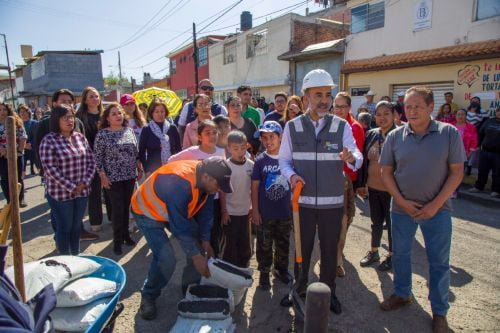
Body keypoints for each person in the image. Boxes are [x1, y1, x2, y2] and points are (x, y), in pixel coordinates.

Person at [379, 86, 465, 333]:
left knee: (438, 262)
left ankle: (439, 312)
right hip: (402, 209)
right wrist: (403, 202)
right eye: (408, 107)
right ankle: (402, 293)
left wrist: (435, 205)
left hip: (438, 210)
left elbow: (457, 172)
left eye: (418, 106)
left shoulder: (448, 134)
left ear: (430, 107)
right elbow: (386, 172)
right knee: (401, 255)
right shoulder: (396, 136)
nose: (412, 111)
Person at [279, 69, 363, 314]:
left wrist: (350, 158)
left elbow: (356, 158)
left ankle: (329, 294)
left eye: (328, 94)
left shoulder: (342, 126)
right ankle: (299, 290)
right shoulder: (293, 127)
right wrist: (292, 176)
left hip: (332, 204)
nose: (324, 100)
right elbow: (284, 161)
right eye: (318, 95)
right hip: (302, 203)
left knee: (329, 251)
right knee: (302, 251)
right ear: (306, 97)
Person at [131, 157, 233, 320]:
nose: (219, 189)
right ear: (206, 177)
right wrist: (196, 256)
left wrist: (205, 241)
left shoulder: (205, 182)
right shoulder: (180, 183)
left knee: (198, 246)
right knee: (166, 258)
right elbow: (179, 226)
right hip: (147, 212)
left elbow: (206, 213)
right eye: (218, 185)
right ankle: (148, 295)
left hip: (172, 209)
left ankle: (190, 288)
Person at [32, 89, 96, 240]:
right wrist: (43, 171)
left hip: (79, 178)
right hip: (56, 180)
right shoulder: (44, 124)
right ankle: (60, 238)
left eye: (70, 101)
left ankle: (78, 233)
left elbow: (85, 152)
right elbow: (37, 148)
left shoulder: (77, 123)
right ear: (54, 103)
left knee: (75, 215)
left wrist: (84, 181)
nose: (67, 104)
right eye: (63, 101)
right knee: (60, 216)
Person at [94, 103, 141, 255]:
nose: (118, 116)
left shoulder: (129, 131)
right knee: (117, 209)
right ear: (107, 118)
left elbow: (135, 151)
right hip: (112, 178)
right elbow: (98, 157)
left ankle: (126, 236)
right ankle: (117, 240)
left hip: (129, 176)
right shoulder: (102, 134)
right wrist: (102, 176)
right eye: (114, 114)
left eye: (119, 113)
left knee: (127, 207)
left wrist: (138, 167)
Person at [251, 121, 291, 289]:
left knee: (283, 243)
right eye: (264, 138)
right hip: (265, 213)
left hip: (285, 212)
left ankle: (281, 270)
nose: (268, 141)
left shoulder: (289, 159)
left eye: (272, 137)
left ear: (280, 137)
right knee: (264, 244)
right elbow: (254, 188)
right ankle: (264, 272)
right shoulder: (260, 161)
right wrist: (255, 211)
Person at [357, 101, 397, 271]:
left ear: (394, 115)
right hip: (373, 188)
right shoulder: (372, 134)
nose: (382, 117)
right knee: (376, 222)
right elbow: (365, 162)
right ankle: (374, 251)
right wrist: (362, 183)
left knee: (393, 224)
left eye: (386, 113)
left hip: (394, 191)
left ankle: (392, 255)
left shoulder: (401, 135)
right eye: (378, 114)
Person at [331, 92, 365, 278]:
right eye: (337, 106)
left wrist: (360, 183)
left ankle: (337, 258)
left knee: (344, 222)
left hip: (346, 183)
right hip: (328, 182)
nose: (340, 110)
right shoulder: (328, 125)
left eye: (343, 106)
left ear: (349, 108)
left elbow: (358, 158)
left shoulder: (355, 127)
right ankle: (334, 256)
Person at [76, 86, 111, 234]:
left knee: (110, 189)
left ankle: (112, 217)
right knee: (94, 191)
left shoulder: (106, 115)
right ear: (84, 99)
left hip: (109, 158)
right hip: (90, 158)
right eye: (91, 96)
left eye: (96, 96)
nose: (95, 99)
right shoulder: (80, 118)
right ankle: (95, 222)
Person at [221, 130, 254, 268]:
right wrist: (224, 211)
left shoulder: (251, 165)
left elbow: (253, 189)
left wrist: (253, 207)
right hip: (230, 212)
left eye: (243, 148)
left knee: (245, 243)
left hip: (246, 211)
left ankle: (243, 269)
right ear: (228, 148)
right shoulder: (226, 166)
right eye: (235, 148)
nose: (240, 151)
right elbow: (222, 191)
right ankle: (229, 270)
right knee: (230, 244)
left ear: (247, 146)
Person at [138, 98, 181, 177]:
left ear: (166, 112)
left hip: (172, 169)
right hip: (153, 170)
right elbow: (141, 152)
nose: (160, 114)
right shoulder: (147, 129)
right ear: (152, 113)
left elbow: (178, 149)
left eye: (162, 111)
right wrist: (146, 170)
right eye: (156, 111)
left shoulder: (172, 128)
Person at [0, 103, 27, 207]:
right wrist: (2, 150)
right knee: (4, 178)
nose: (2, 112)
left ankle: (20, 199)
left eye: (4, 110)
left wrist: (19, 150)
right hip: (2, 155)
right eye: (0, 110)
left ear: (9, 110)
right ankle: (9, 200)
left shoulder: (16, 121)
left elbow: (23, 136)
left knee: (18, 177)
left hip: (17, 153)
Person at [469, 107, 500, 197]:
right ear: (496, 112)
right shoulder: (489, 121)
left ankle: (496, 190)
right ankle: (478, 187)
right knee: (482, 170)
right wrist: (478, 145)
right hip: (485, 151)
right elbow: (481, 133)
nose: (499, 113)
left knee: (497, 173)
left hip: (498, 153)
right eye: (498, 111)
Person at [454, 109, 478, 176]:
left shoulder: (471, 127)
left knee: (459, 173)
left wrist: (469, 153)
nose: (460, 116)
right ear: (455, 116)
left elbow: (474, 141)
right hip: (451, 153)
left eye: (463, 114)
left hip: (463, 154)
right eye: (458, 114)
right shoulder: (450, 126)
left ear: (466, 116)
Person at [18, 104, 37, 176]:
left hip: (32, 146)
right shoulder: (18, 124)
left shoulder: (34, 123)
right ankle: (23, 174)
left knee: (34, 160)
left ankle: (33, 169)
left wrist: (31, 144)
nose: (22, 113)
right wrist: (24, 145)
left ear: (28, 112)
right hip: (22, 147)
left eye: (24, 111)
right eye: (21, 112)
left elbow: (36, 135)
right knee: (22, 165)